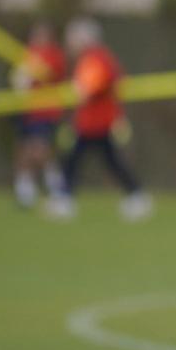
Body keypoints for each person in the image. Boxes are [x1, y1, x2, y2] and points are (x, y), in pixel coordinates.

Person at [46, 17, 152, 221]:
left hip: (96, 123)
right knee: (103, 160)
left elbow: (87, 88)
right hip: (93, 122)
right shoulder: (93, 58)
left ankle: (64, 199)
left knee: (76, 160)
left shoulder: (96, 59)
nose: (70, 43)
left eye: (73, 38)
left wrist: (76, 91)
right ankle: (136, 195)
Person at [10, 22, 68, 208]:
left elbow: (50, 75)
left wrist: (33, 72)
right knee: (23, 150)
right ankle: (24, 191)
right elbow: (19, 79)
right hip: (27, 109)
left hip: (45, 110)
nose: (37, 39)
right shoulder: (28, 53)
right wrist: (20, 81)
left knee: (39, 149)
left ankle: (56, 186)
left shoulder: (54, 55)